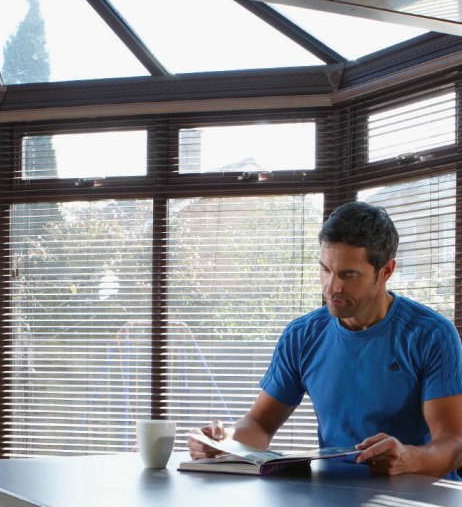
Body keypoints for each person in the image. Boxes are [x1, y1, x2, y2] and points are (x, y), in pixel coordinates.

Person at [187, 201, 462, 478]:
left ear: (386, 271)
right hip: (333, 495)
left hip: (419, 495)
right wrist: (224, 442)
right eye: (325, 270)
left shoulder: (432, 335)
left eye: (348, 275)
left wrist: (409, 458)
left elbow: (453, 443)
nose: (332, 287)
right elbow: (260, 423)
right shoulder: (302, 335)